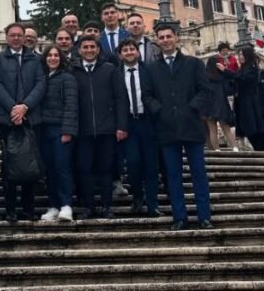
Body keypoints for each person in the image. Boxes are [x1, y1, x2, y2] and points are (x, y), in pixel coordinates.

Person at [147, 24, 213, 230]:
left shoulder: (193, 63)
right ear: (157, 41)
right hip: (166, 128)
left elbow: (205, 90)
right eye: (161, 37)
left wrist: (191, 108)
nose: (165, 40)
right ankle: (179, 217)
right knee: (173, 175)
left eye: (169, 36)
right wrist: (160, 111)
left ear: (176, 38)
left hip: (192, 125)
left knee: (198, 173)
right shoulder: (152, 68)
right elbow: (147, 95)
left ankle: (204, 216)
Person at [0, 22, 46, 222]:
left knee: (30, 163)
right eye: (12, 35)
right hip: (7, 120)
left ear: (23, 37)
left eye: (19, 35)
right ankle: (10, 209)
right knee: (9, 165)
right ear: (6, 37)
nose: (15, 38)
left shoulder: (35, 59)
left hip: (30, 118)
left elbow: (40, 84)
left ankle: (29, 208)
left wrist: (25, 106)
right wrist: (14, 108)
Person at [71, 35, 128, 219]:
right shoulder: (73, 71)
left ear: (98, 49)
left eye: (92, 47)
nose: (89, 50)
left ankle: (106, 206)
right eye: (85, 47)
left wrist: (121, 125)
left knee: (106, 169)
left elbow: (121, 98)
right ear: (79, 50)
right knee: (84, 169)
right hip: (82, 131)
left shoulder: (110, 69)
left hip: (107, 129)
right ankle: (89, 207)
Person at [117, 39, 161, 217]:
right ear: (120, 55)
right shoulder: (116, 73)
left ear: (138, 52)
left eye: (131, 49)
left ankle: (152, 203)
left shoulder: (149, 71)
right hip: (128, 124)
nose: (129, 52)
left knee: (151, 165)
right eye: (125, 50)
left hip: (148, 122)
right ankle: (137, 197)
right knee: (133, 163)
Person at [38, 45, 78, 222]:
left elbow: (71, 105)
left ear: (61, 59)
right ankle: (54, 205)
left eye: (56, 55)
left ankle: (66, 204)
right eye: (49, 55)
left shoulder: (68, 78)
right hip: (43, 130)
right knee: (50, 169)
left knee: (62, 167)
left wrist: (67, 130)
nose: (52, 58)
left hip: (60, 129)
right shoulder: (41, 78)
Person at [218, 46, 264, 152]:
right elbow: (236, 78)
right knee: (249, 132)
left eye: (242, 54)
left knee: (256, 132)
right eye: (239, 54)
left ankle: (263, 153)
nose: (240, 57)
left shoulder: (253, 68)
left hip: (251, 103)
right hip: (243, 104)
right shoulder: (242, 68)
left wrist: (226, 71)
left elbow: (243, 78)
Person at [204, 43, 239, 152]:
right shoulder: (221, 79)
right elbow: (229, 90)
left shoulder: (204, 81)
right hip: (222, 106)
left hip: (208, 108)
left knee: (212, 130)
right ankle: (234, 147)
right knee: (226, 128)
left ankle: (216, 150)